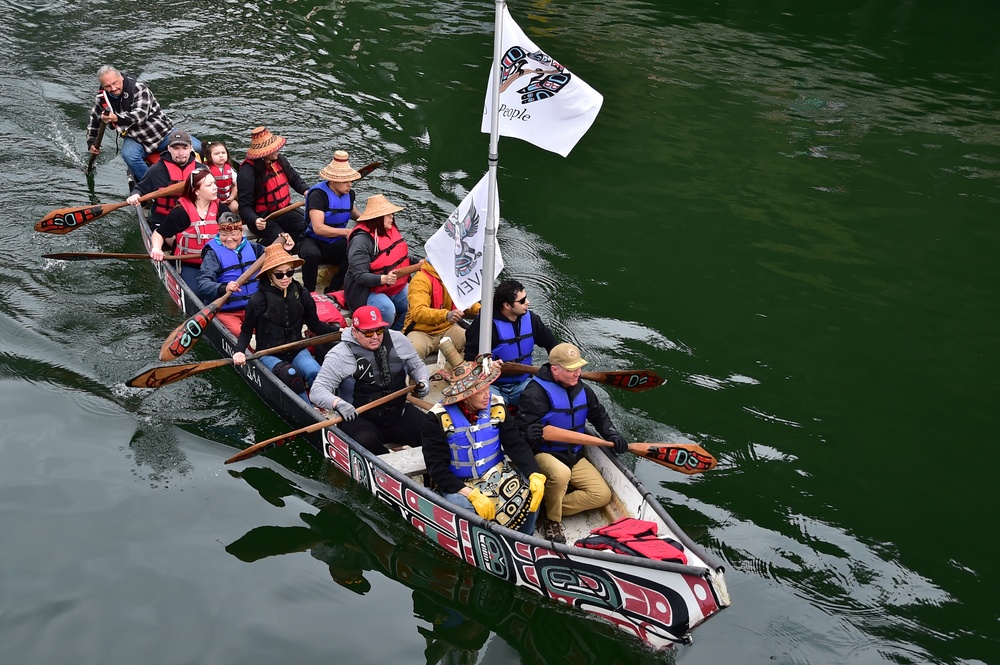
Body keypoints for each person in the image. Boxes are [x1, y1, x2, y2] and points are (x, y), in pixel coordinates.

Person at [421, 351, 546, 536]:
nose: (487, 395)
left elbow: (515, 443)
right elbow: (436, 468)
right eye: (480, 391)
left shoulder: (497, 405)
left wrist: (534, 473)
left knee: (531, 490)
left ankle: (525, 538)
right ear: (464, 395)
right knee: (463, 507)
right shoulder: (437, 418)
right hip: (461, 484)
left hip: (497, 473)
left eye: (488, 388)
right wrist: (469, 493)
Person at [516, 343, 630, 544]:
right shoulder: (534, 393)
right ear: (555, 370)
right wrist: (529, 433)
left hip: (574, 454)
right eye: (572, 369)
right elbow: (518, 435)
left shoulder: (584, 390)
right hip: (544, 453)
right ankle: (551, 521)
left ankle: (545, 507)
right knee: (561, 474)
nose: (578, 373)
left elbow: (599, 416)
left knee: (601, 495)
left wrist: (612, 434)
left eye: (579, 367)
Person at [310, 305, 430, 456]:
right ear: (354, 331)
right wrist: (337, 404)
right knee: (364, 441)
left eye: (379, 330)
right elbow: (317, 391)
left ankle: (432, 476)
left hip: (398, 413)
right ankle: (388, 468)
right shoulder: (339, 355)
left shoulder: (398, 340)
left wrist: (424, 381)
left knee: (432, 430)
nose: (375, 336)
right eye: (368, 332)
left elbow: (417, 366)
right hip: (359, 419)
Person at [232, 244, 340, 403]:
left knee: (316, 373)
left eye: (289, 273)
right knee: (291, 376)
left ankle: (321, 404)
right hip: (269, 353)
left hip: (296, 348)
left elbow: (315, 324)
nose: (285, 278)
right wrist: (239, 351)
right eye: (279, 275)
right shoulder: (257, 300)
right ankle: (309, 411)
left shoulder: (302, 293)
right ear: (269, 275)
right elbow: (247, 331)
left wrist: (339, 332)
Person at [85, 65, 201, 181]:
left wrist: (116, 118)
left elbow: (140, 117)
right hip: (136, 140)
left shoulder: (138, 88)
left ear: (121, 77)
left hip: (163, 133)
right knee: (129, 155)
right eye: (108, 86)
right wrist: (92, 142)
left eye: (115, 83)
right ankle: (151, 183)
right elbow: (94, 120)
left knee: (198, 147)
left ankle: (200, 175)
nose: (113, 88)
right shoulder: (102, 99)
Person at [197, 213, 295, 337]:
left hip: (256, 307)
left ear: (241, 231)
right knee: (240, 334)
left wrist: (285, 250)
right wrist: (224, 287)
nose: (229, 239)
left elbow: (278, 263)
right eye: (224, 235)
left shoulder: (255, 248)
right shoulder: (212, 254)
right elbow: (203, 284)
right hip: (227, 311)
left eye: (233, 234)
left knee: (276, 329)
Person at [463, 279, 557, 407]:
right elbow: (470, 360)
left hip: (523, 383)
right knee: (493, 411)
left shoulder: (532, 320)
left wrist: (559, 365)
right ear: (507, 305)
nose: (527, 303)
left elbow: (551, 344)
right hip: (492, 386)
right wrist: (488, 365)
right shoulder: (484, 326)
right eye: (522, 301)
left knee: (550, 401)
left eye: (526, 298)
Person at [344, 194, 422, 331]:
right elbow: (359, 275)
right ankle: (379, 336)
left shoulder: (388, 231)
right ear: (378, 218)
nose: (392, 217)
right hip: (366, 291)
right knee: (387, 309)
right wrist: (384, 279)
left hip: (394, 287)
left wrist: (418, 262)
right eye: (388, 214)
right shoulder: (361, 241)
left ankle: (395, 333)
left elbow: (400, 258)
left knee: (417, 303)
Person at [147, 169, 224, 290]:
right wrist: (156, 248)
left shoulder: (221, 209)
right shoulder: (181, 213)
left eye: (214, 183)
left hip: (216, 262)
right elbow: (159, 233)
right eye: (209, 185)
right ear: (197, 191)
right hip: (188, 264)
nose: (215, 188)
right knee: (197, 293)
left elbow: (236, 233)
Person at [300, 150, 362, 294]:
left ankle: (334, 288)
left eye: (351, 180)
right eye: (346, 181)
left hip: (334, 242)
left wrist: (368, 221)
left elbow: (352, 212)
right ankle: (309, 291)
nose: (350, 184)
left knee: (355, 254)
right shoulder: (318, 195)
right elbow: (318, 228)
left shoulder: (349, 194)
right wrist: (346, 232)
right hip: (313, 239)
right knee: (311, 255)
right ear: (333, 180)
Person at [237, 126, 310, 245]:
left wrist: (306, 190)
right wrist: (255, 219)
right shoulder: (247, 173)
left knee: (304, 227)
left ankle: (294, 250)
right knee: (279, 237)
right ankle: (262, 248)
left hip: (282, 212)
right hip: (262, 218)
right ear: (264, 153)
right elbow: (244, 206)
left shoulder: (280, 161)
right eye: (274, 149)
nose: (277, 150)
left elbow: (295, 179)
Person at [126, 129, 206, 233]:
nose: (181, 153)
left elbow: (213, 195)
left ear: (191, 148)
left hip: (194, 218)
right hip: (163, 219)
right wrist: (135, 195)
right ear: (169, 148)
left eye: (185, 148)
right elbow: (140, 189)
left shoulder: (201, 170)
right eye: (176, 148)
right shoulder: (156, 170)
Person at [402, 261, 481, 359]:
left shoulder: (453, 278)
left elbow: (466, 302)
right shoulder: (420, 279)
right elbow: (418, 312)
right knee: (411, 353)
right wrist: (446, 315)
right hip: (421, 332)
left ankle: (457, 371)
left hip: (447, 329)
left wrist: (482, 310)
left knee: (474, 343)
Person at [203, 141, 239, 215]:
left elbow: (236, 185)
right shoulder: (206, 169)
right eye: (216, 154)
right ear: (209, 157)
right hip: (211, 201)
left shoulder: (230, 169)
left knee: (235, 206)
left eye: (223, 153)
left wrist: (231, 197)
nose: (221, 155)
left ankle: (231, 224)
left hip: (227, 200)